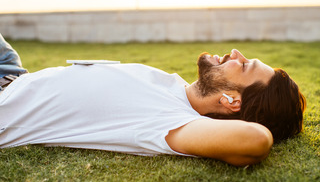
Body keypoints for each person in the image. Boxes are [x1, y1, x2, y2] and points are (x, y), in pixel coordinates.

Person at [0, 33, 306, 167]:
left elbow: (254, 140)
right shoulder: (176, 89)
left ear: (231, 101)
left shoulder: (174, 122)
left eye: (243, 65)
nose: (235, 54)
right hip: (13, 70)